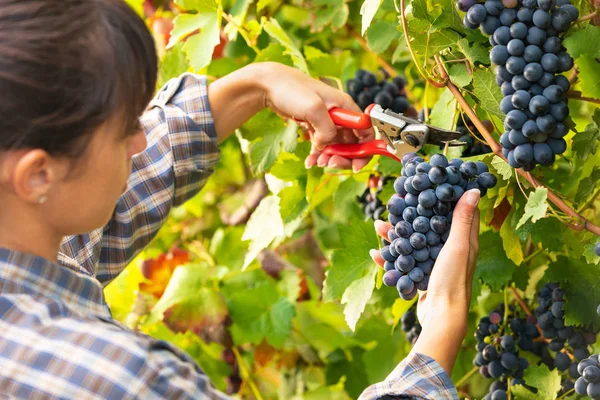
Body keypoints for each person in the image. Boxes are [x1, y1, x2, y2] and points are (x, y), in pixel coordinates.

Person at [0, 0, 480, 398]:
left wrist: (256, 85)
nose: (140, 141)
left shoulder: (28, 233)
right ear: (37, 173)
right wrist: (439, 329)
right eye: (125, 129)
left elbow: (112, 199)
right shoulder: (122, 382)